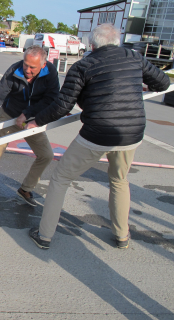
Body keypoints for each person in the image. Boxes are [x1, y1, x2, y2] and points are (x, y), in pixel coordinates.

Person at [27, 23, 170, 250]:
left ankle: (44, 235)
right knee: (119, 180)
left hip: (98, 131)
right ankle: (122, 236)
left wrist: (37, 120)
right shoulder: (134, 57)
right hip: (131, 132)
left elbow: (63, 105)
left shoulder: (83, 65)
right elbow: (163, 82)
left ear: (92, 45)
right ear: (117, 42)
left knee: (60, 178)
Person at [0, 45, 60, 207]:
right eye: (25, 64)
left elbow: (51, 98)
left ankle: (25, 189)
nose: (27, 69)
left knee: (46, 155)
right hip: (9, 115)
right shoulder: (14, 71)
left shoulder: (50, 73)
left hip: (32, 119)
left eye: (32, 67)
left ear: (43, 65)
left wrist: (28, 114)